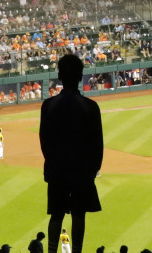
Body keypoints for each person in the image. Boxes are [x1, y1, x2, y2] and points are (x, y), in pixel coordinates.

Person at [40, 54, 104, 253]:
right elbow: (97, 145)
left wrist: (52, 163)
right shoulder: (90, 107)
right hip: (81, 170)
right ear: (80, 76)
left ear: (59, 76)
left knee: (56, 215)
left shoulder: (49, 105)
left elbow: (44, 141)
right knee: (78, 215)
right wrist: (92, 170)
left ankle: (51, 251)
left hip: (58, 169)